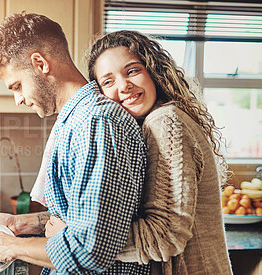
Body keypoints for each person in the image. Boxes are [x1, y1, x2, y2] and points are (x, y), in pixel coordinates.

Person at [0, 13, 151, 274]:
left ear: (40, 64)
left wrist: (12, 246)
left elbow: (89, 251)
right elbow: (79, 217)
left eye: (17, 86)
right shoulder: (75, 122)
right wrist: (18, 224)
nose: (18, 99)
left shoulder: (97, 124)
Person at [46, 30, 233, 275]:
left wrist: (74, 238)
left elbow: (165, 236)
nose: (124, 86)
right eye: (108, 81)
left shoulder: (165, 122)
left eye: (132, 71)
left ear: (153, 72)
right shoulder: (151, 123)